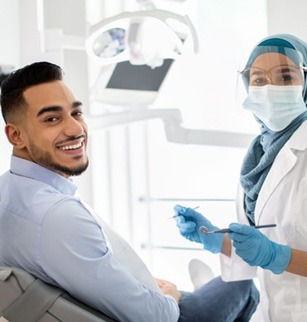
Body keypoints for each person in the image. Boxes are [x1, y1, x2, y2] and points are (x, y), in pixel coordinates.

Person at [0, 61, 259, 322]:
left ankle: (193, 292)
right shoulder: (57, 217)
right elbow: (157, 317)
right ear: (16, 136)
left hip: (110, 301)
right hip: (166, 316)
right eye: (52, 119)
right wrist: (172, 297)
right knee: (243, 286)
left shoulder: (8, 191)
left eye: (76, 113)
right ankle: (190, 293)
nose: (76, 129)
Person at [174, 33, 307, 322]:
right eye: (258, 79)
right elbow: (263, 245)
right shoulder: (259, 154)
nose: (270, 88)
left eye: (285, 77)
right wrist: (213, 239)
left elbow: (271, 250)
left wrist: (277, 256)